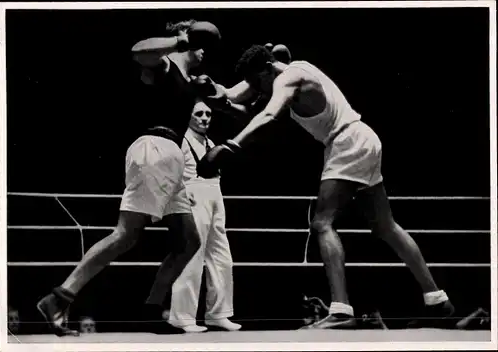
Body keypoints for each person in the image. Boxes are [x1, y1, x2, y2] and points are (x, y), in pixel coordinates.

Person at [197, 45, 456, 329]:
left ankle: (342, 311)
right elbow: (233, 96)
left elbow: (268, 116)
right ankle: (437, 299)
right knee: (385, 225)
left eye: (259, 82)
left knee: (322, 222)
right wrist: (209, 89)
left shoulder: (288, 78)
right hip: (361, 137)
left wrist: (232, 145)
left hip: (347, 143)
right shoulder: (279, 72)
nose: (259, 90)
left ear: (269, 69)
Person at [36, 19, 222, 336]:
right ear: (188, 39)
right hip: (155, 150)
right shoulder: (166, 63)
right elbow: (138, 51)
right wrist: (180, 42)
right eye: (201, 44)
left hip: (171, 158)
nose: (205, 51)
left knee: (188, 240)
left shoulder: (190, 80)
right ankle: (59, 297)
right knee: (126, 234)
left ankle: (151, 308)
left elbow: (231, 94)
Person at [153, 99, 241, 333]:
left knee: (221, 256)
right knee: (192, 256)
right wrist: (180, 194)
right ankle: (182, 316)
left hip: (215, 194)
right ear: (189, 116)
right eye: (199, 113)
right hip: (194, 194)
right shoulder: (182, 141)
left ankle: (218, 314)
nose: (204, 118)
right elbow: (167, 170)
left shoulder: (210, 142)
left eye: (208, 114)